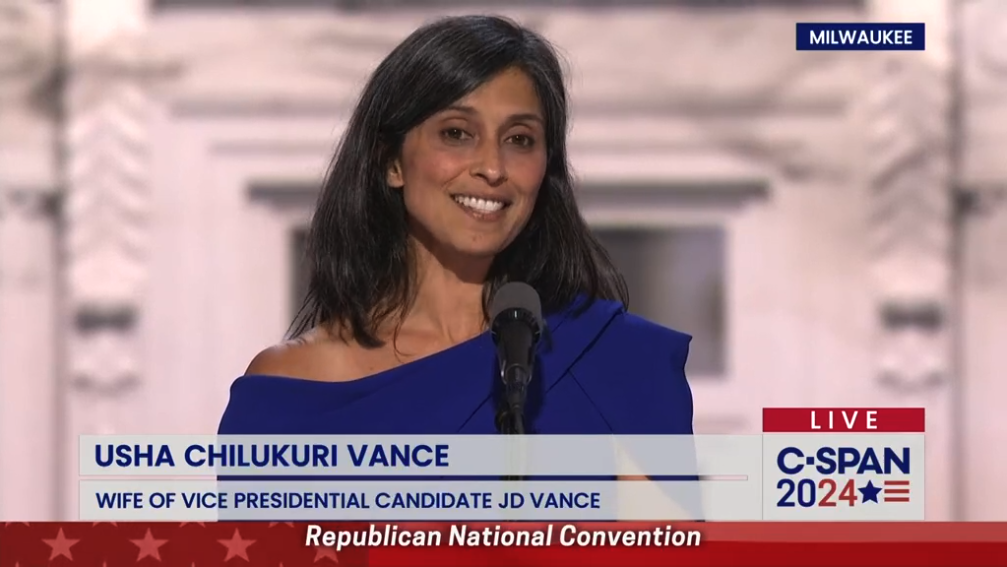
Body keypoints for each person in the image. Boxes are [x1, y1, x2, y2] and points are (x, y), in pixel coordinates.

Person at [218, 14, 694, 479]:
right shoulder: (290, 393)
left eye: (520, 139)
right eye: (457, 133)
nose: (492, 166)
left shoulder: (618, 362)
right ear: (391, 163)